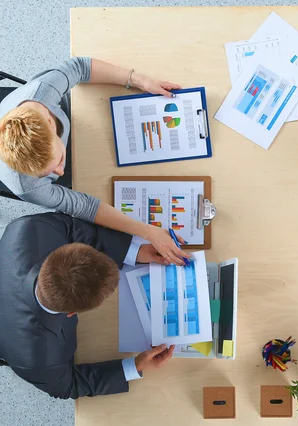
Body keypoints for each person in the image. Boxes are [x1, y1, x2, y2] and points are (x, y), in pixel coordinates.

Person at [0, 57, 191, 265]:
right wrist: (147, 231)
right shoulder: (26, 185)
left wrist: (140, 81)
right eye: (48, 173)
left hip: (86, 122)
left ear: (48, 120)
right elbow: (84, 206)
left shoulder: (42, 92)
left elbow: (79, 67)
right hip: (87, 166)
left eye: (58, 160)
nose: (60, 173)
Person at [0, 212, 175, 399]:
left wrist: (135, 252)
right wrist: (135, 366)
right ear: (72, 313)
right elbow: (69, 386)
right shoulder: (38, 361)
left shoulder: (29, 228)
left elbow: (71, 228)